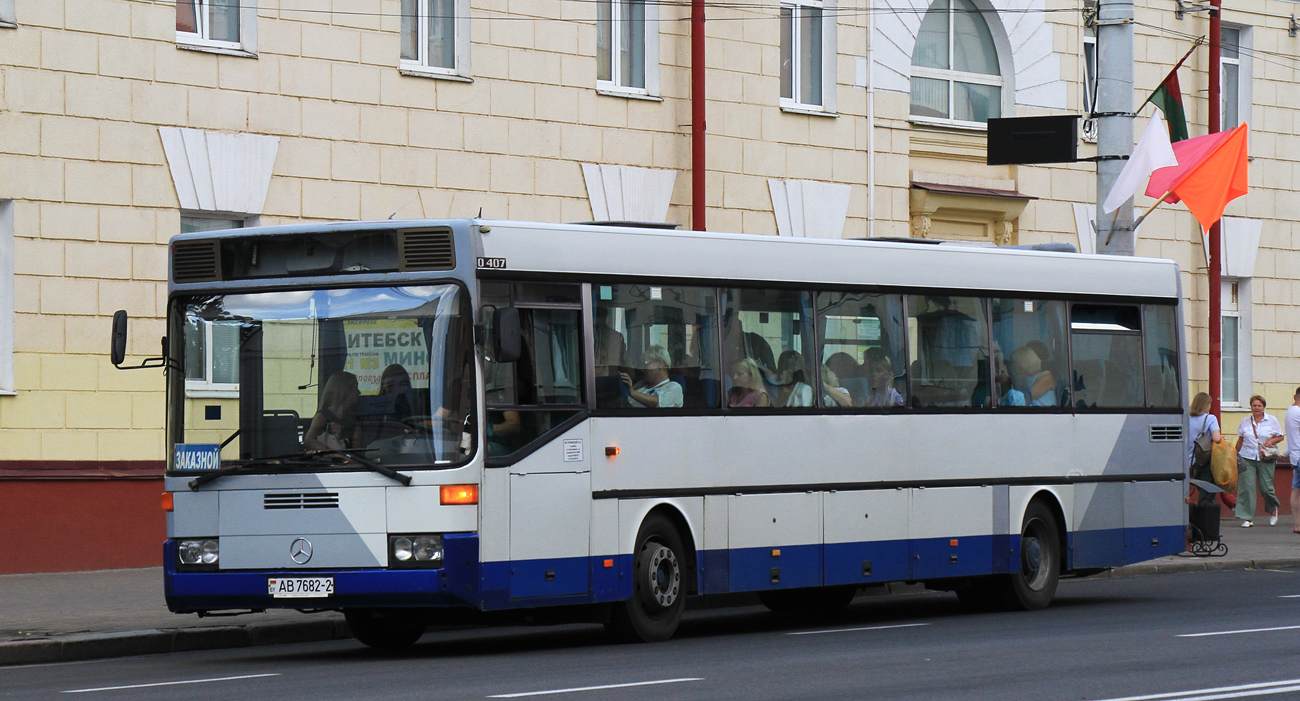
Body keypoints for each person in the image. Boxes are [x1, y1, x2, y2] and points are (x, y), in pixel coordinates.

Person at [1235, 394, 1284, 527]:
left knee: (1266, 488)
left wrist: (1270, 441)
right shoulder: (1245, 421)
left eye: (1259, 405)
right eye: (1254, 405)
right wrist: (1235, 455)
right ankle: (1248, 517)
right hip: (1247, 457)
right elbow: (1240, 440)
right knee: (1247, 488)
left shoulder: (1272, 420)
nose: (1256, 408)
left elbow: (1280, 437)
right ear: (1251, 407)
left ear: (1263, 407)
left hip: (1265, 458)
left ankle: (1273, 510)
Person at [305, 371, 359, 451]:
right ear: (346, 390)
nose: (359, 392)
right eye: (356, 387)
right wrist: (333, 453)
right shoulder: (323, 416)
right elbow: (308, 441)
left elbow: (358, 447)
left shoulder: (354, 417)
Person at [1188, 392, 1223, 507]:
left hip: (1189, 461)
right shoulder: (1210, 418)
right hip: (1204, 461)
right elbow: (1216, 438)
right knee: (1206, 492)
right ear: (1206, 405)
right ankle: (1204, 519)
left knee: (1193, 489)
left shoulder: (1187, 420)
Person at [1286, 388, 1300, 533]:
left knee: (1296, 490)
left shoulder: (1290, 411)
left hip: (1295, 456)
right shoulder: (1298, 412)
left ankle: (1297, 524)